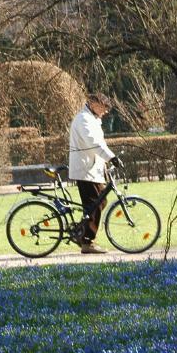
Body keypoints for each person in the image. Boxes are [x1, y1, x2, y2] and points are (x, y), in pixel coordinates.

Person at [68, 92, 118, 254]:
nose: (106, 111)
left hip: (90, 169)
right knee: (95, 204)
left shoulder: (92, 118)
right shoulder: (84, 119)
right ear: (94, 104)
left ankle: (82, 234)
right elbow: (94, 143)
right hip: (85, 170)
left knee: (99, 202)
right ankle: (87, 241)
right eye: (104, 108)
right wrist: (112, 157)